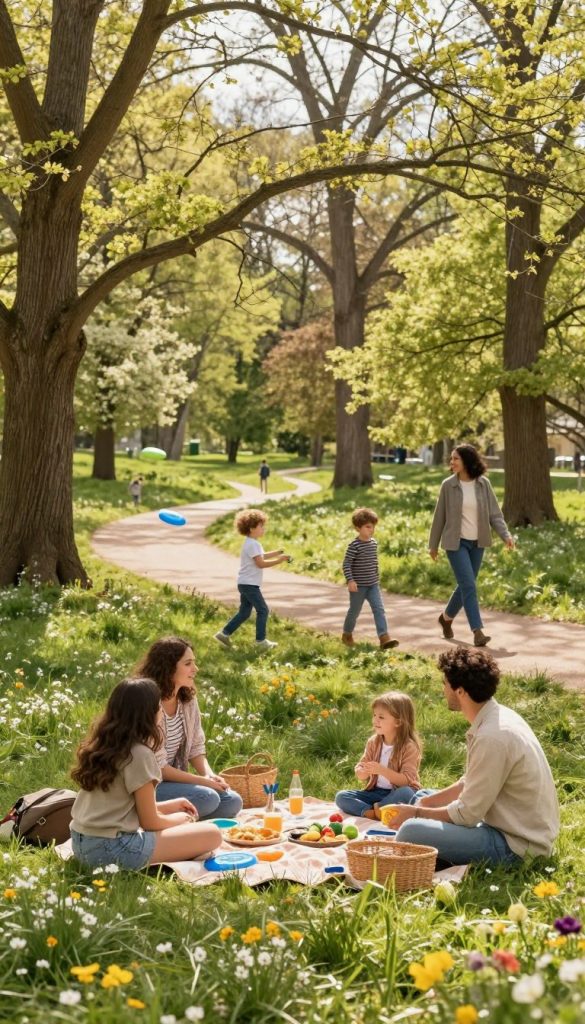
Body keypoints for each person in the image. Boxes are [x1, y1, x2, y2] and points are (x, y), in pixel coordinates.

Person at [387, 647, 560, 866]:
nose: (442, 689)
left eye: (445, 683)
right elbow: (471, 782)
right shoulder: (496, 717)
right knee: (421, 795)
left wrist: (416, 813)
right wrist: (424, 803)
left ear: (460, 691)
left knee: (411, 830)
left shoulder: (492, 737)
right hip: (503, 823)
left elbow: (467, 814)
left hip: (516, 845)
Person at [70, 678, 221, 870]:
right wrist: (181, 819)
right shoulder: (139, 754)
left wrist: (170, 806)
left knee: (192, 829)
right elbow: (150, 822)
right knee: (212, 833)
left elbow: (121, 807)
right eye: (158, 706)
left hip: (81, 844)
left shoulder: (102, 745)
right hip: (112, 849)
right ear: (147, 714)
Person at [135, 637, 242, 820]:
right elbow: (158, 767)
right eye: (188, 663)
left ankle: (180, 817)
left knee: (232, 801)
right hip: (146, 785)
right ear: (168, 667)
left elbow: (196, 747)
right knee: (207, 797)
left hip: (172, 781)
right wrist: (203, 782)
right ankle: (150, 815)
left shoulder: (187, 700)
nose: (195, 669)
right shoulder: (149, 704)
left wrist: (209, 774)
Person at [429, 444, 514, 647]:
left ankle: (446, 618)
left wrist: (506, 535)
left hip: (478, 542)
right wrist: (432, 545)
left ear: (467, 460)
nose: (452, 462)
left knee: (466, 585)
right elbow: (439, 517)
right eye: (451, 459)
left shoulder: (483, 484)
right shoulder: (448, 485)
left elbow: (495, 514)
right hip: (455, 543)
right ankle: (477, 631)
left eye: (455, 459)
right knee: (469, 585)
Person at [335, 691, 422, 818]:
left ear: (398, 722)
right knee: (341, 796)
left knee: (407, 793)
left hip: (397, 793)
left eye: (381, 717)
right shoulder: (373, 742)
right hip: (375, 793)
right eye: (374, 715)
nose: (375, 720)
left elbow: (406, 781)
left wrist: (381, 770)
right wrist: (362, 772)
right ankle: (374, 812)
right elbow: (361, 769)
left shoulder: (409, 746)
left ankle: (378, 809)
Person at [214, 509, 291, 650]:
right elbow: (260, 563)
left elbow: (262, 556)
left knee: (244, 613)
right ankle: (260, 642)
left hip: (246, 583)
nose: (263, 529)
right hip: (249, 585)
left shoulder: (252, 543)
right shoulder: (252, 544)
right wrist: (279, 561)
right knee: (263, 610)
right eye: (261, 526)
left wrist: (278, 553)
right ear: (251, 528)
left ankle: (224, 634)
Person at [341, 507, 398, 649]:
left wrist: (376, 578)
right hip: (358, 587)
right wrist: (350, 580)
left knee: (379, 609)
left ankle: (384, 637)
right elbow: (346, 564)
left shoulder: (373, 543)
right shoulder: (354, 546)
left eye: (373, 527)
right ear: (357, 528)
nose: (371, 530)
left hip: (373, 585)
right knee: (354, 612)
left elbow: (374, 562)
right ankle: (347, 634)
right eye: (368, 527)